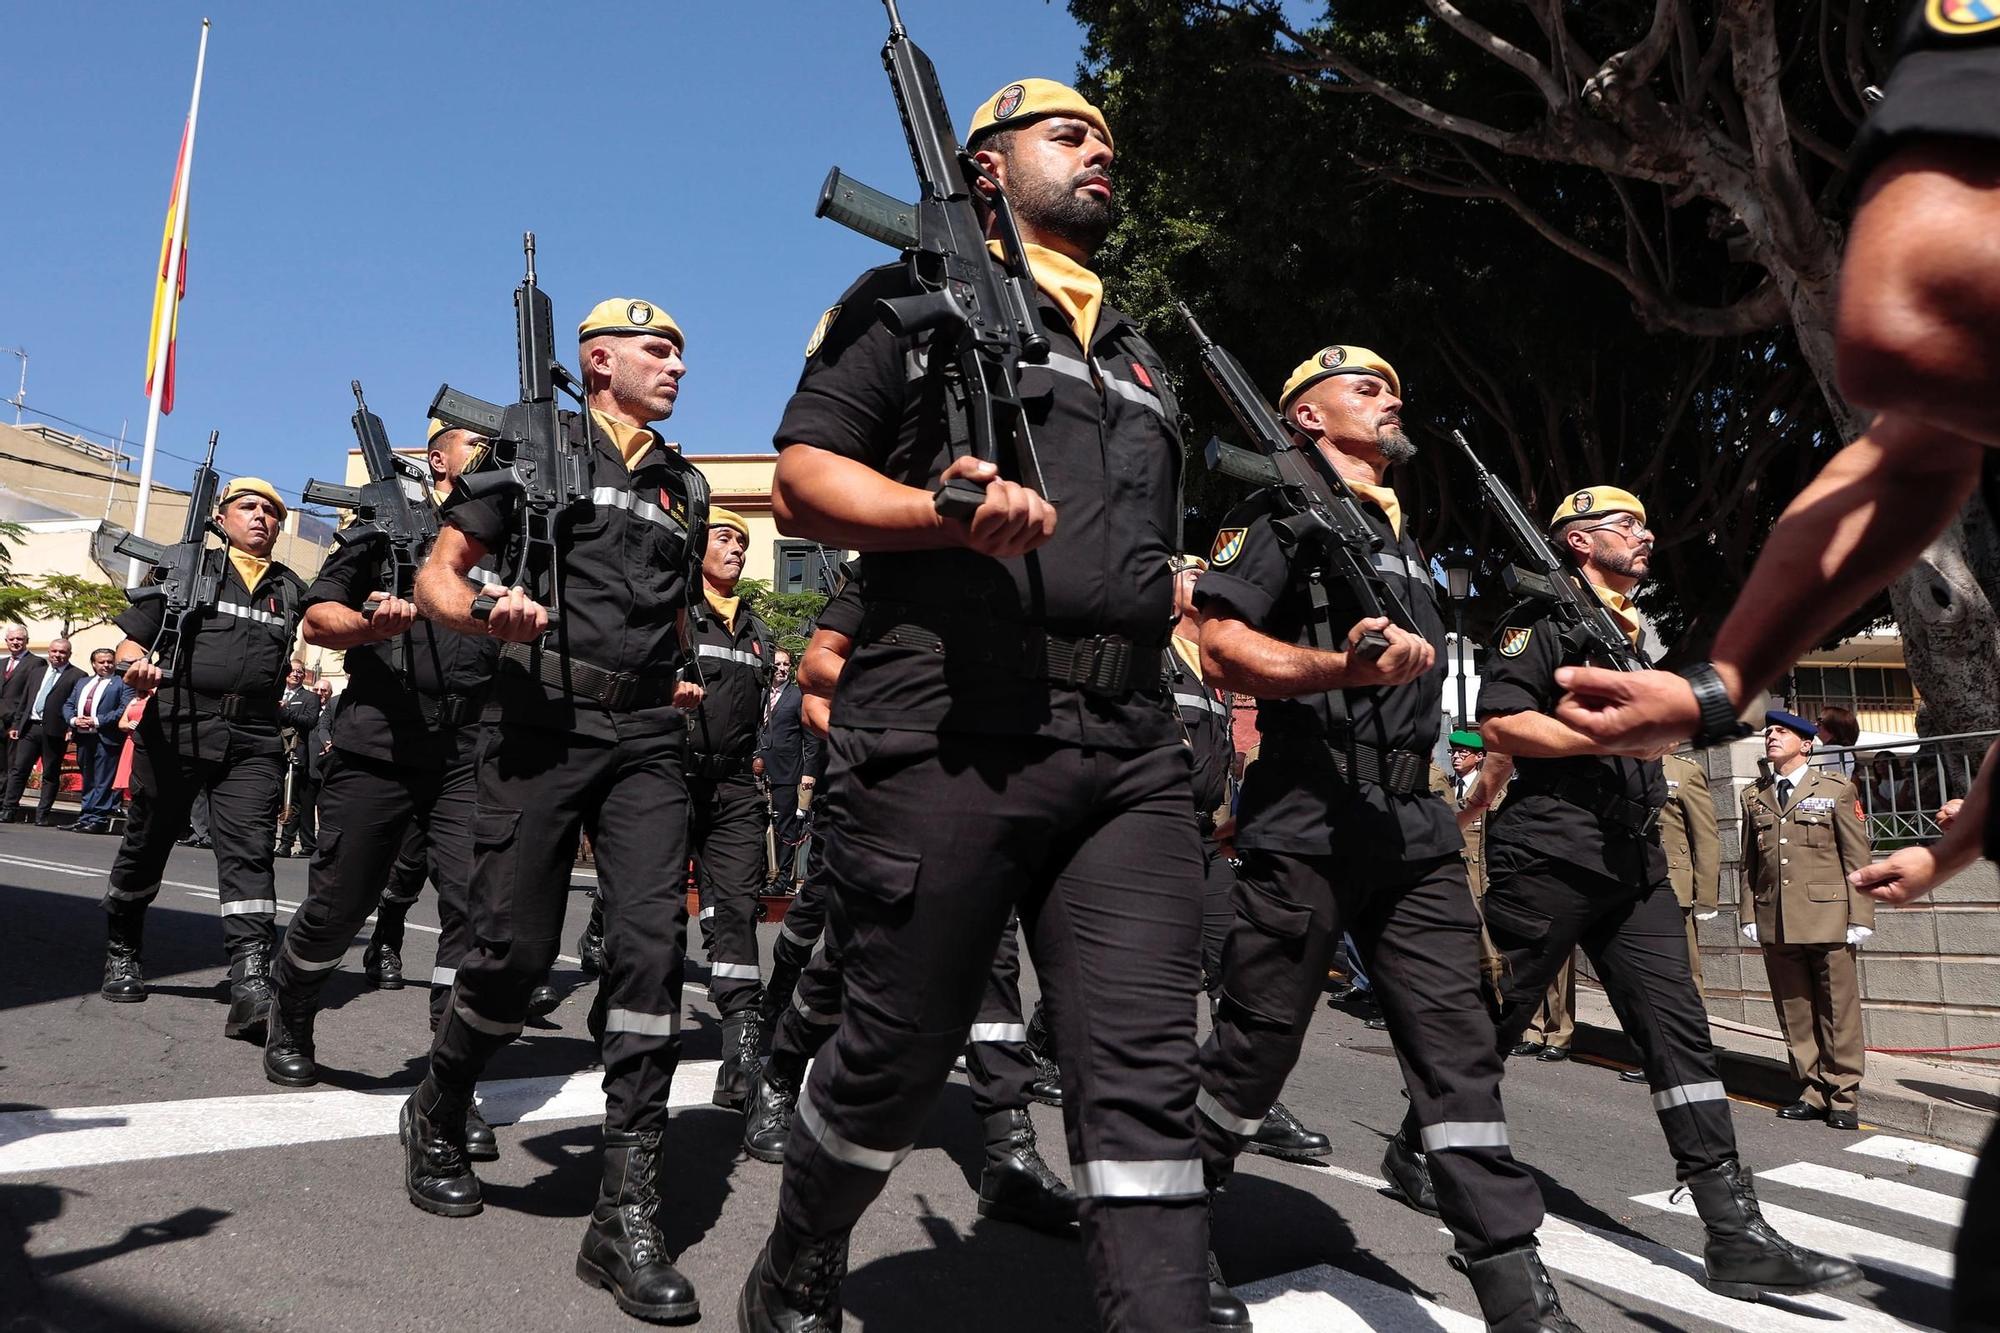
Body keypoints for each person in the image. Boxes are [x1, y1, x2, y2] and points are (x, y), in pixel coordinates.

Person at [740, 80, 1213, 1332]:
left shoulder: (1141, 356)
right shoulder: (909, 298)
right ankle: (798, 1251)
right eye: (1068, 135)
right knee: (896, 1052)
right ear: (987, 170)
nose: (1099, 150)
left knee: (1141, 1071)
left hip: (1124, 746)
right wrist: (934, 511)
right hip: (947, 720)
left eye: (1108, 137)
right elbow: (799, 478)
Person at [1193, 339, 1570, 1329]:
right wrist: (1338, 672)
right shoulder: (1278, 511)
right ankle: (1175, 1222)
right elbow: (1220, 641)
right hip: (1308, 813)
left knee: (1458, 1051)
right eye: (1366, 387)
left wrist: (1471, 772)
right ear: (1307, 417)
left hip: (1412, 827)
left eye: (1395, 387)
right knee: (1254, 1044)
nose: (1390, 399)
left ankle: (1512, 1283)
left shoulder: (1409, 548)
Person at [1401, 484, 1856, 1302]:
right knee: (1491, 1024)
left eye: (1645, 522)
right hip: (1551, 852)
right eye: (1623, 524)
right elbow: (1501, 726)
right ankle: (1417, 1146)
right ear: (1577, 542)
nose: (1643, 535)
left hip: (1633, 857)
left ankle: (1732, 1226)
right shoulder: (1538, 621)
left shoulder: (1637, 633)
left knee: (1680, 1040)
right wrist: (1605, 731)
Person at [404, 295, 709, 1323]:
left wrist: (674, 676)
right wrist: (493, 609)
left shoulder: (685, 483)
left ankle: (625, 1213)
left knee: (648, 949)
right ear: (596, 359)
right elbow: (441, 575)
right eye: (655, 348)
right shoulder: (531, 447)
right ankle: (440, 1102)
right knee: (512, 953)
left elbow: (669, 614)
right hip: (538, 720)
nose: (675, 363)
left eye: (678, 350)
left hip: (645, 743)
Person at [739, 565, 1079, 1237]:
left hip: (985, 792)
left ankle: (1009, 1149)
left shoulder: (1020, 589)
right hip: (892, 791)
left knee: (994, 962)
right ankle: (780, 1075)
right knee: (846, 956)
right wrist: (906, 698)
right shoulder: (886, 573)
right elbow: (816, 671)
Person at [264, 420, 498, 1157]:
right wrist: (367, 626)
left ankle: (451, 1082)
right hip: (380, 740)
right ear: (438, 458)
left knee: (473, 913)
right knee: (340, 905)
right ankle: (291, 1004)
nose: (496, 453)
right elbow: (318, 613)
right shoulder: (385, 528)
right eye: (477, 442)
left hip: (469, 751)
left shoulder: (509, 535)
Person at [98, 478, 309, 1047]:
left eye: (272, 510)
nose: (261, 517)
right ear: (222, 516)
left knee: (249, 854)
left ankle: (250, 980)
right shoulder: (191, 569)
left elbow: (326, 627)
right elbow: (129, 640)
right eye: (248, 507)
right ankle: (123, 948)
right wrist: (135, 665)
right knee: (149, 841)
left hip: (255, 735)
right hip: (179, 724)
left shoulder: (290, 588)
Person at [1167, 553, 1331, 1164]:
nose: (1206, 580)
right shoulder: (1153, 657)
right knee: (1155, 965)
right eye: (1191, 572)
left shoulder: (1218, 673)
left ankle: (1241, 1100)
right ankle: (1056, 1041)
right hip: (1155, 832)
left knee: (1230, 959)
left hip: (1204, 836)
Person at [680, 508, 780, 1110]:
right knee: (649, 916)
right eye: (725, 537)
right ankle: (613, 1004)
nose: (737, 549)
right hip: (669, 776)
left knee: (737, 912)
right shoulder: (673, 616)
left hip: (736, 788)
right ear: (697, 550)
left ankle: (740, 1054)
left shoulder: (757, 629)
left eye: (743, 541)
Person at [1740, 711, 1874, 1131]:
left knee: (1838, 1009)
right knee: (1794, 1008)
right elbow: (1748, 863)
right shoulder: (1754, 795)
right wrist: (1748, 912)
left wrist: (1861, 915)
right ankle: (1812, 1090)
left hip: (1828, 915)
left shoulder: (1835, 788)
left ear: (1807, 744)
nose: (1771, 736)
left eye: (1781, 732)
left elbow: (1857, 856)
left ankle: (1844, 1095)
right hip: (1775, 916)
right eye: (1769, 732)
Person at [5, 637, 85, 825]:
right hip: (30, 728)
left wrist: (70, 727)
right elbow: (25, 700)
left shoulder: (77, 675)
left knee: (50, 773)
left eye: (62, 652)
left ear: (69, 654)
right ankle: (9, 810)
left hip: (56, 731)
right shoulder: (37, 672)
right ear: (49, 652)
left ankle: (42, 815)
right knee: (19, 770)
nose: (57, 655)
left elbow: (76, 705)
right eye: (54, 651)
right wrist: (17, 725)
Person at [754, 647, 816, 886]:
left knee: (785, 827)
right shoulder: (760, 694)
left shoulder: (798, 697)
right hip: (759, 770)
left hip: (787, 772)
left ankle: (782, 881)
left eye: (786, 665)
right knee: (758, 824)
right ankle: (760, 876)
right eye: (778, 664)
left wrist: (808, 772)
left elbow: (810, 737)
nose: (782, 669)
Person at [65, 649, 134, 834]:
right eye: (101, 662)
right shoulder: (83, 682)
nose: (106, 665)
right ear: (93, 664)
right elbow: (69, 704)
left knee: (103, 781)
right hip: (83, 736)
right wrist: (73, 720)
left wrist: (97, 720)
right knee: (88, 779)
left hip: (106, 738)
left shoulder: (122, 683)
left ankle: (98, 818)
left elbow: (123, 709)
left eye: (110, 662)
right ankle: (85, 816)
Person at [275, 669, 324, 858]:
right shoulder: (276, 691)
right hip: (273, 750)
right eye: (293, 671)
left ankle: (286, 843)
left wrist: (285, 711)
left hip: (294, 753)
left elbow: (310, 721)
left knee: (291, 799)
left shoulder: (310, 697)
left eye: (300, 672)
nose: (296, 674)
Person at [0, 624, 41, 807]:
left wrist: (18, 722)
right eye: (12, 639)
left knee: (12, 766)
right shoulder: (1, 663)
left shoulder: (36, 663)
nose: (15, 642)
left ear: (27, 641)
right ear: (6, 641)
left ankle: (4, 802)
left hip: (15, 722)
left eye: (19, 639)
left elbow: (31, 694)